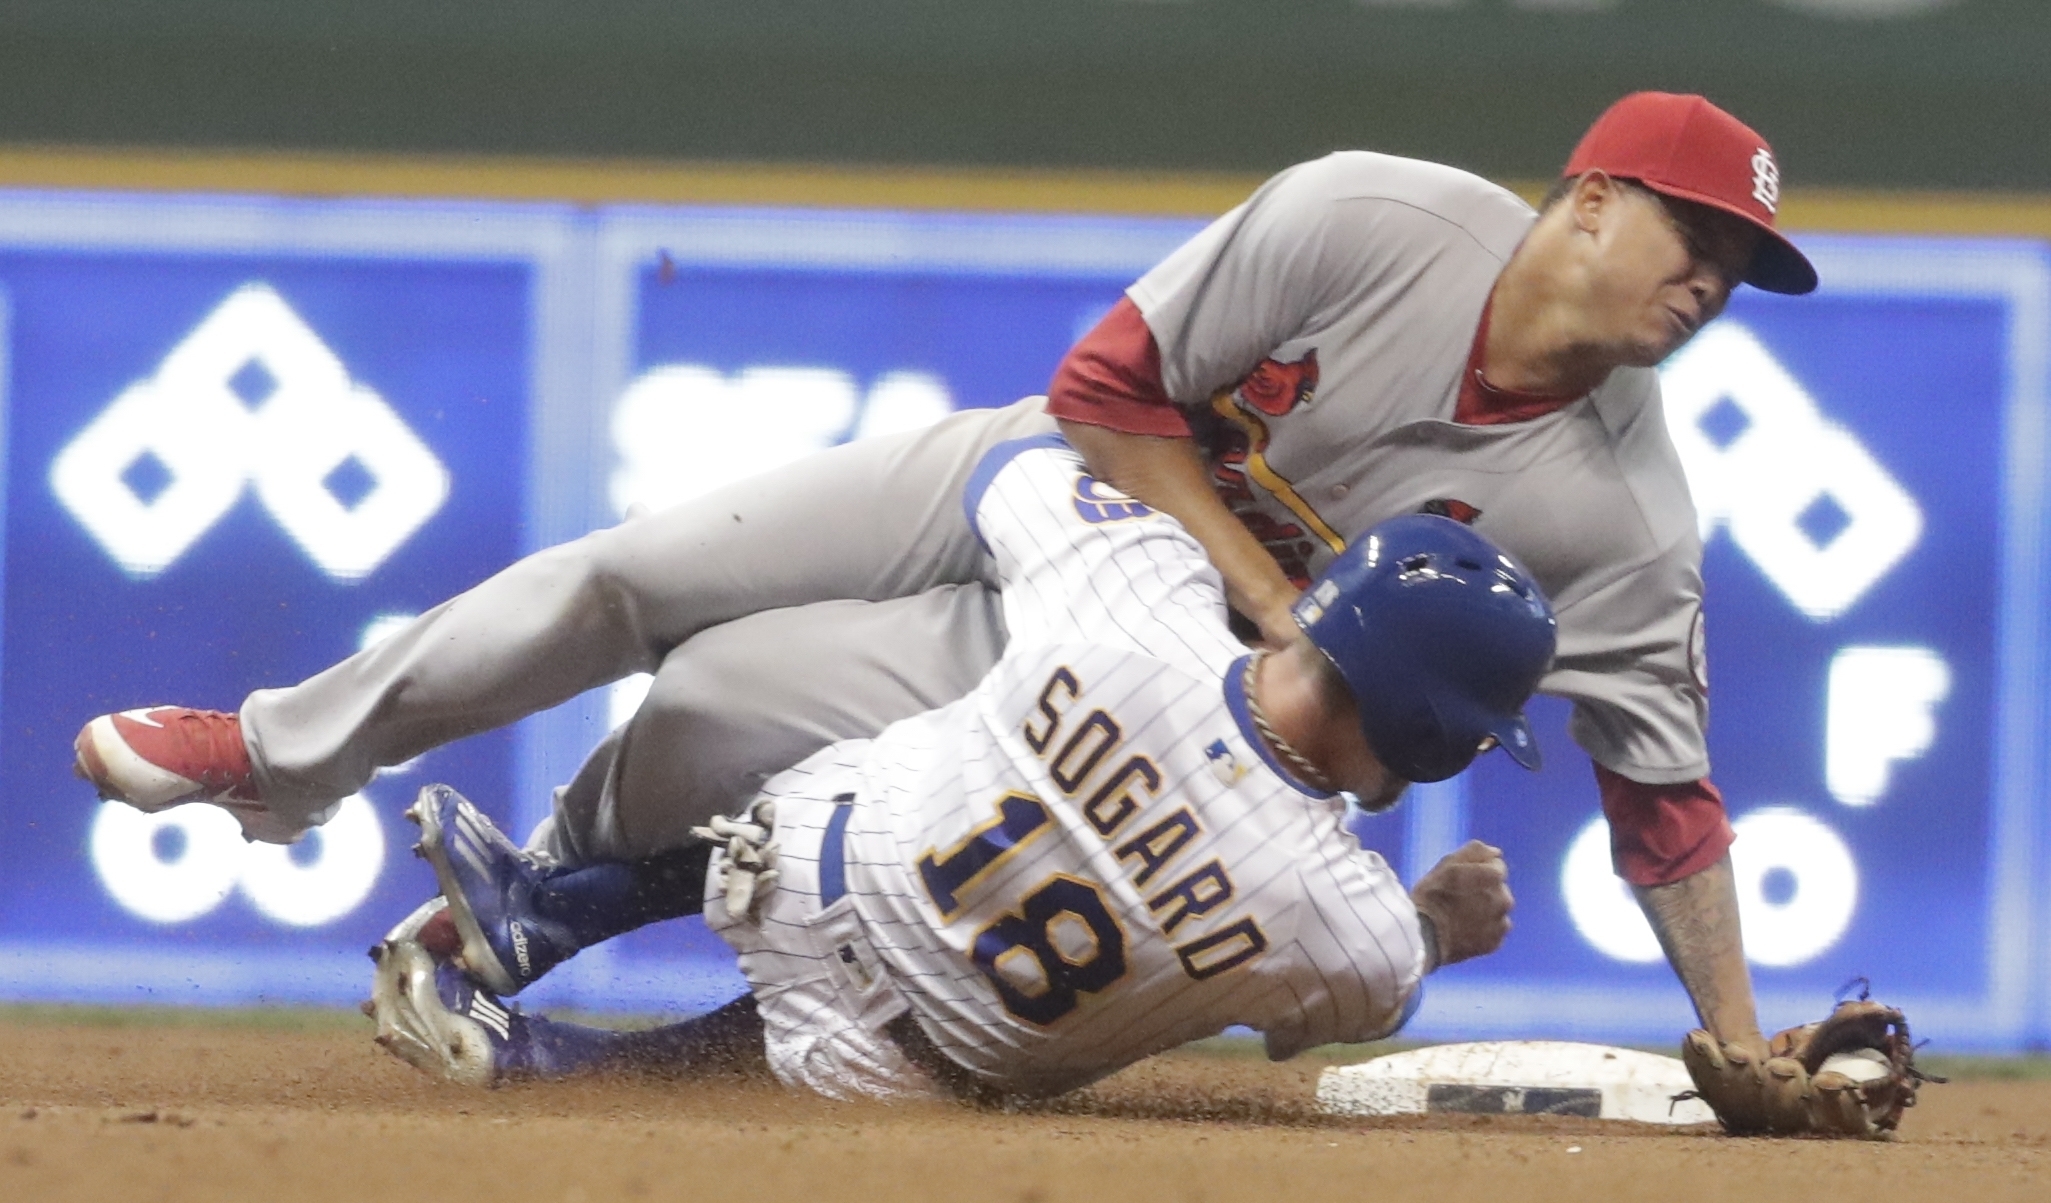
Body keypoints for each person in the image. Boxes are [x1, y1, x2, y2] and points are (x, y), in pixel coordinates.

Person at [75, 91, 1812, 1065]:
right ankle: (283, 755)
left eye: (1740, 269)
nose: (1711, 282)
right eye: (1695, 234)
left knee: (714, 708)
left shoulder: (1623, 518)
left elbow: (1663, 801)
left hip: (1127, 685)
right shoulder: (1372, 218)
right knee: (637, 573)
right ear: (1588, 199)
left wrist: (1733, 1035)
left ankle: (548, 904)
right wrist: (1258, 579)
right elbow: (1102, 396)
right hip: (1056, 498)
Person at [369, 436, 1554, 1099]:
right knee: (903, 1039)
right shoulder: (1344, 918)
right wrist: (1441, 923)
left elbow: (1023, 463)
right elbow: (1360, 999)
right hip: (885, 1068)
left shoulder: (1141, 604)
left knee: (937, 730)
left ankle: (556, 906)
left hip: (794, 869)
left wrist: (1184, 512)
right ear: (1428, 724)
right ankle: (546, 1067)